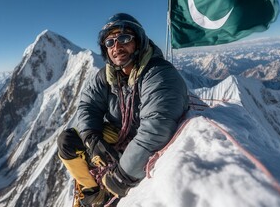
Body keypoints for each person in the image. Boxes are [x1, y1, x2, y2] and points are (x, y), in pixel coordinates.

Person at [57, 13, 189, 206]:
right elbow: (88, 105)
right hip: (121, 134)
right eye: (110, 42)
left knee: (116, 182)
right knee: (68, 142)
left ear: (139, 42)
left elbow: (157, 127)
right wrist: (92, 139)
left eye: (124, 38)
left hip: (140, 142)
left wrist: (121, 176)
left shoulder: (159, 74)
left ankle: (110, 190)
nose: (116, 47)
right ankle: (93, 192)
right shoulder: (108, 76)